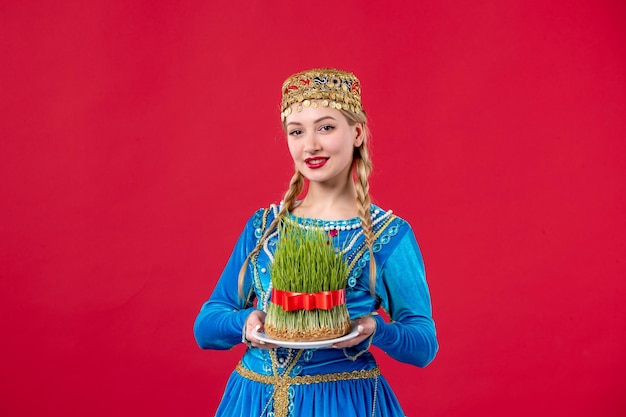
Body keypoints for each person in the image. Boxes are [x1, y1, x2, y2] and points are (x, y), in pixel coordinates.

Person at [193, 68, 438, 417]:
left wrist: (375, 329)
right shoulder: (264, 228)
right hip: (252, 400)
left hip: (340, 403)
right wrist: (247, 322)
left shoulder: (387, 235)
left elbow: (424, 344)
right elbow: (206, 327)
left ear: (356, 132)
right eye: (297, 132)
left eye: (326, 127)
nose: (311, 145)